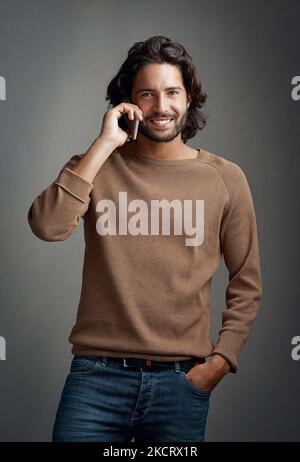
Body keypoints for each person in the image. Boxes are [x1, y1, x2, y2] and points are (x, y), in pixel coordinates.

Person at [27, 35, 262, 443]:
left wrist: (222, 360)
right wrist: (104, 144)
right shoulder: (96, 165)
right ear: (128, 103)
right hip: (95, 378)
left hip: (180, 382)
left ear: (189, 99)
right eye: (147, 94)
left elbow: (247, 280)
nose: (161, 106)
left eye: (172, 92)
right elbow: (48, 226)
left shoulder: (226, 179)